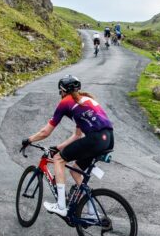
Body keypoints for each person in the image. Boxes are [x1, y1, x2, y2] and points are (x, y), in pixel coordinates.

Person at [21, 75, 114, 217]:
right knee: (75, 170)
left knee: (59, 160)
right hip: (107, 138)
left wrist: (29, 139)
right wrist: (59, 147)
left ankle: (61, 206)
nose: (60, 94)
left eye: (60, 91)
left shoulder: (66, 102)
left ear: (63, 90)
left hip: (95, 138)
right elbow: (77, 135)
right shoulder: (85, 101)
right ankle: (92, 211)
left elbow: (46, 132)